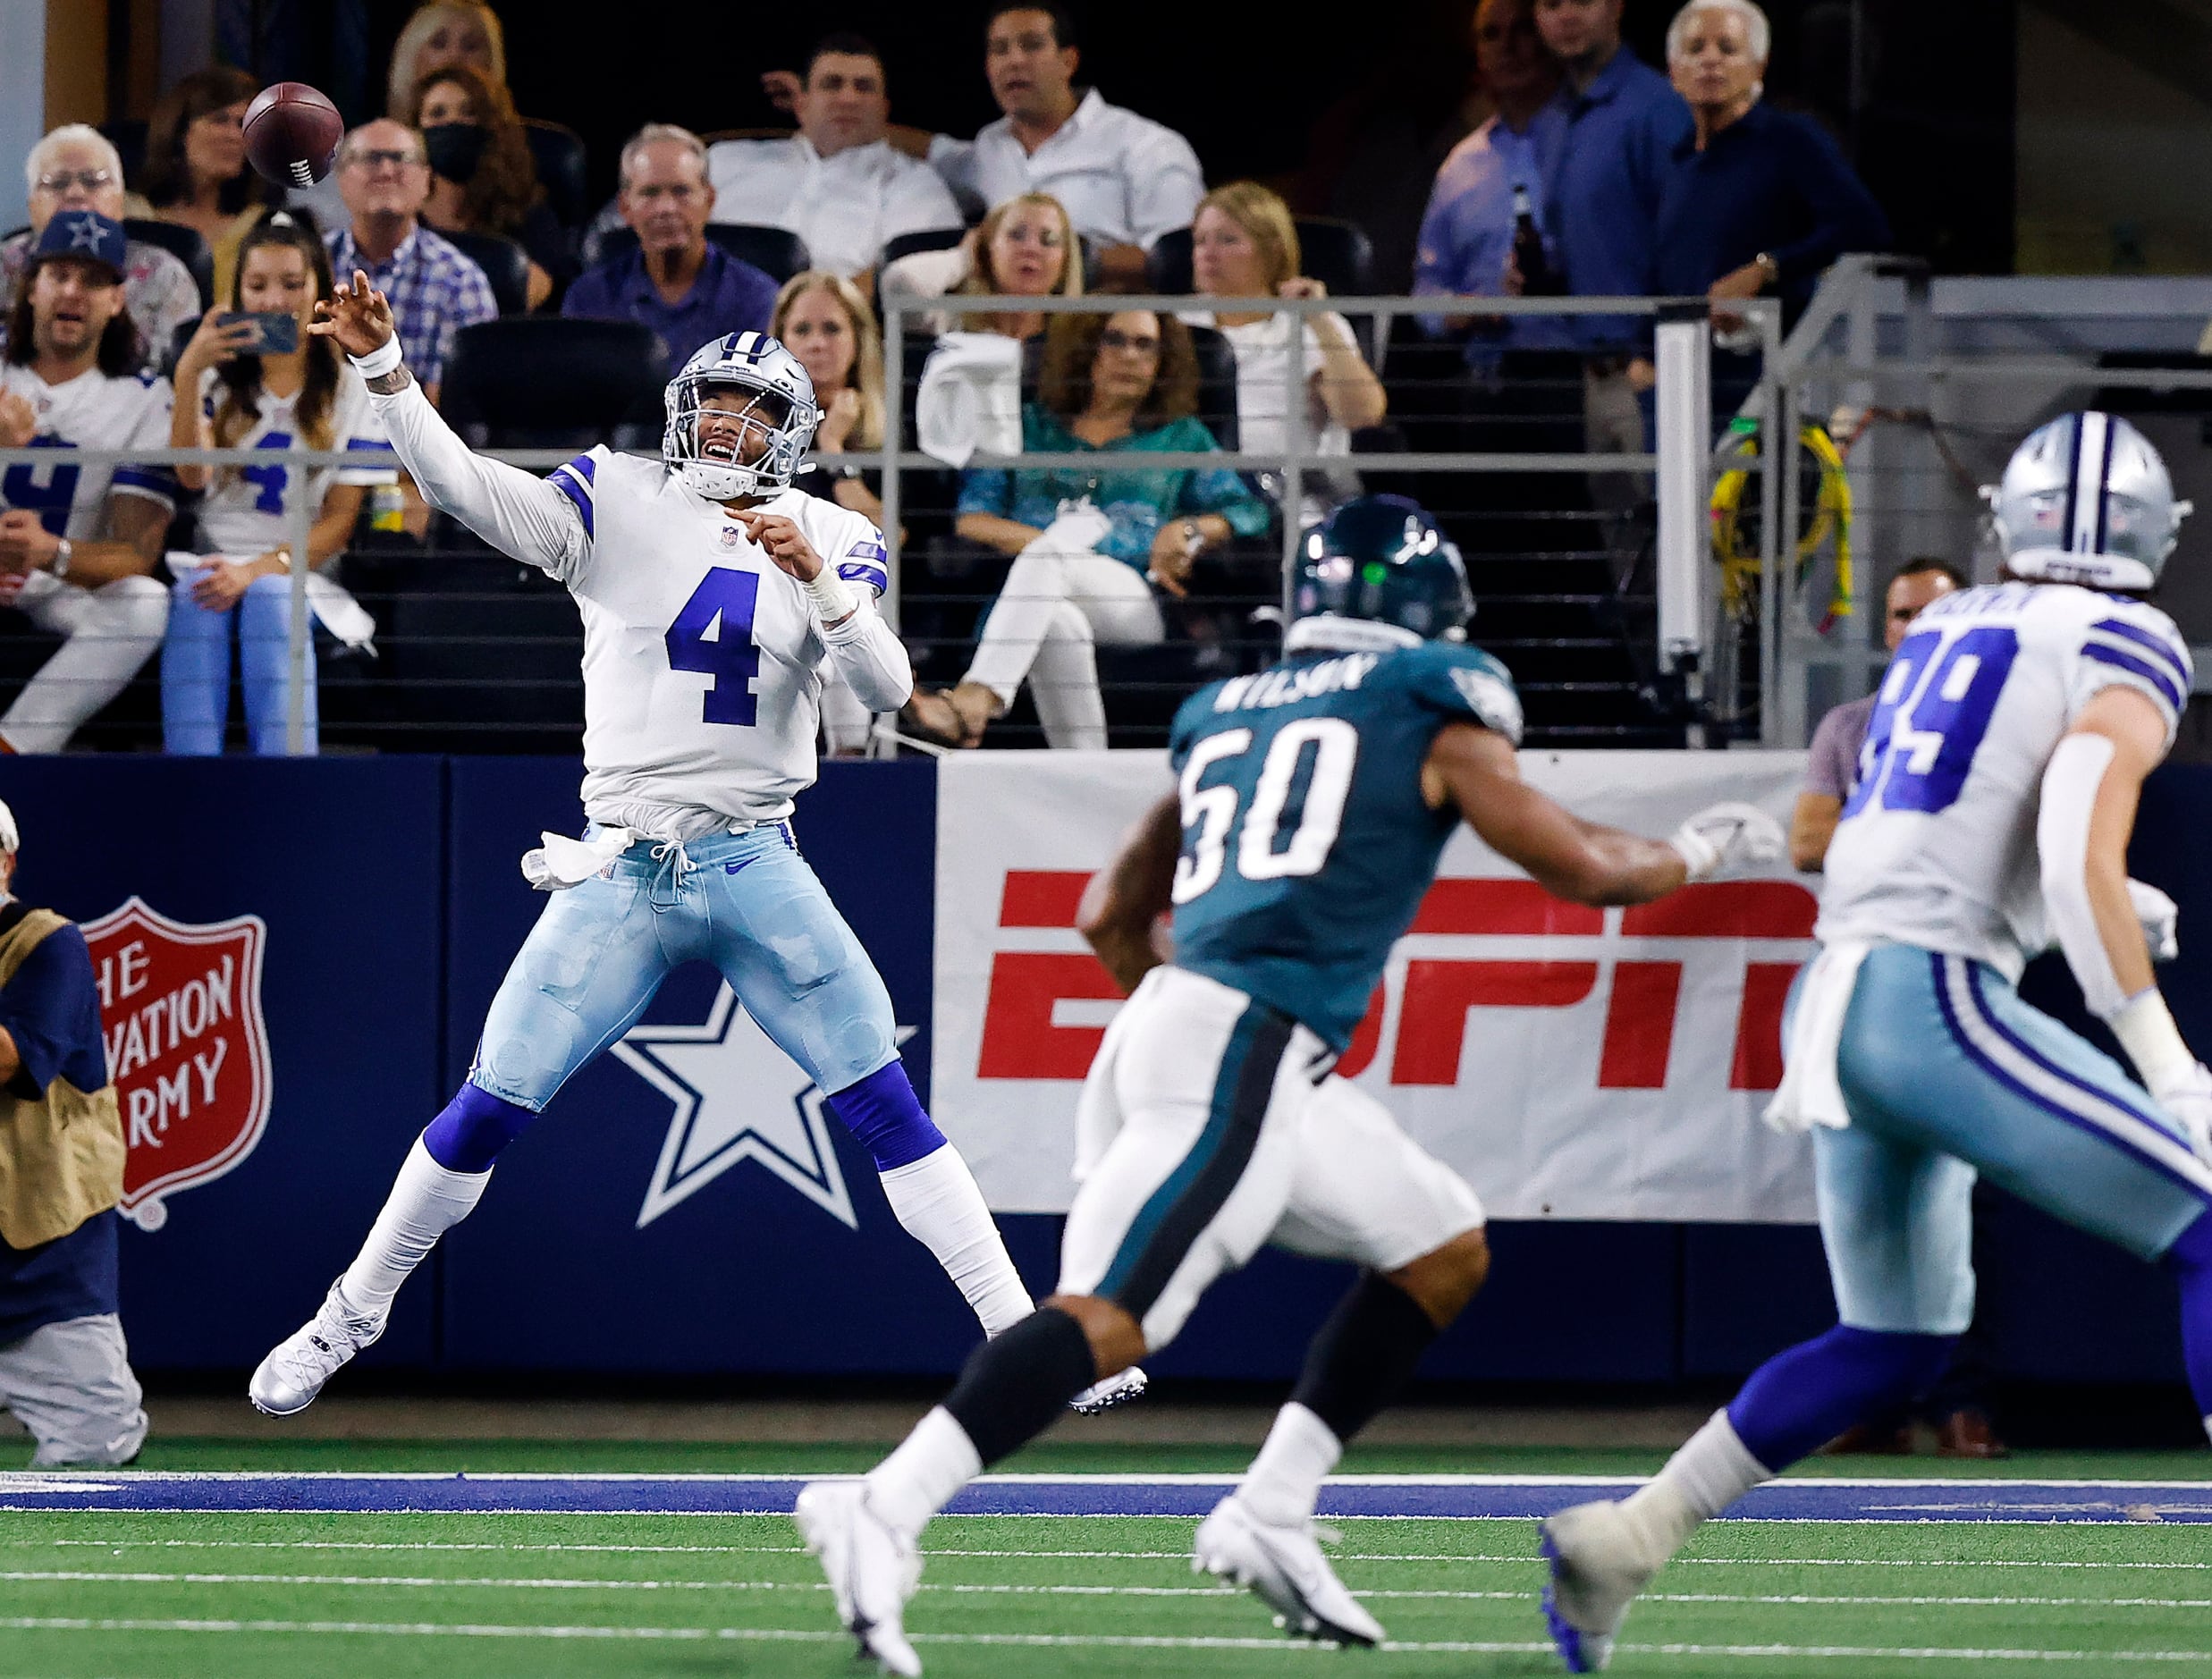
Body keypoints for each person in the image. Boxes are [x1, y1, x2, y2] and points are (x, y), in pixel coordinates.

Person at [795, 494, 1786, 1676]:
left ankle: (1271, 1506)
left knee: (1441, 1244)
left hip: (1210, 1032)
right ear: (1428, 616)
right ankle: (885, 1504)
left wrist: (1194, 1018)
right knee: (1113, 1321)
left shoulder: (1227, 713)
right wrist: (1711, 846)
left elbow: (1107, 917)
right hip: (1240, 1045)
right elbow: (1588, 869)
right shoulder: (1433, 704)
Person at [249, 283, 1146, 1419]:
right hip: (621, 863)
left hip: (754, 860)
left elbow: (889, 689)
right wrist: (386, 375)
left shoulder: (835, 532)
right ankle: (352, 1312)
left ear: (795, 433)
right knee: (489, 1100)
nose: (725, 425)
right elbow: (465, 490)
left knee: (887, 1104)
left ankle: (1028, 1339)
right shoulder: (615, 492)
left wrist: (813, 580)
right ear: (680, 410)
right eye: (711, 401)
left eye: (750, 409)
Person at [1540, 412, 2212, 1672]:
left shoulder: (1950, 624)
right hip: (1926, 1001)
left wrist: (2104, 912)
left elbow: (1938, 841)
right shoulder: (2128, 638)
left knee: (1894, 1340)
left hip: (1838, 998)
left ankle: (1631, 1533)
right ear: (2150, 531)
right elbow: (2071, 841)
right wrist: (2168, 1066)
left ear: (2006, 520)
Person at [908, 309, 1271, 750]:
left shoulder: (1182, 439)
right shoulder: (1026, 427)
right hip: (1030, 598)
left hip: (1130, 599)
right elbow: (973, 518)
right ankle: (1086, 770)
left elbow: (1249, 510)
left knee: (1049, 559)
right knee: (1059, 624)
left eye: (1146, 345)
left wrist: (1191, 528)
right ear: (1084, 351)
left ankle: (974, 699)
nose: (1130, 356)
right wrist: (1052, 548)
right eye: (1115, 340)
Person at [163, 215, 395, 756]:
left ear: (319, 292)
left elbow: (338, 526)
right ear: (238, 293)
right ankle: (188, 789)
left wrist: (255, 570)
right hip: (214, 567)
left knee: (269, 596)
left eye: (292, 284)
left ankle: (290, 783)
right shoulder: (215, 381)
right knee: (198, 593)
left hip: (302, 575)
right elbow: (190, 475)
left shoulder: (354, 389)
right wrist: (188, 373)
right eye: (258, 285)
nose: (274, 301)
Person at [0, 797, 146, 1468]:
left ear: (6, 860)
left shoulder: (45, 941)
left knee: (97, 1442)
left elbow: (12, 1059)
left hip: (36, 1251)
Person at [0, 213, 174, 755]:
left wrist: (51, 551)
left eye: (93, 280)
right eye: (59, 275)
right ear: (32, 287)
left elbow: (137, 552)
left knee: (144, 601)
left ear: (118, 299)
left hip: (57, 580)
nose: (73, 292)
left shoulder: (143, 398)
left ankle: (13, 747)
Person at [1651, 0, 1888, 331]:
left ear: (1758, 68)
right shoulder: (1678, 159)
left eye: (1728, 48)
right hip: (1683, 363)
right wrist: (1644, 354)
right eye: (1695, 48)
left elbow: (1863, 226)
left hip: (1767, 363)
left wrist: (1766, 269)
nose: (1710, 60)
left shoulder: (1789, 139)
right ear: (1674, 72)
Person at [926, 4, 1203, 285]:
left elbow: (1181, 259)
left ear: (1068, 61)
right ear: (988, 68)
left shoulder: (1146, 147)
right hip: (1006, 321)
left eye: (1032, 45)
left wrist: (1074, 261)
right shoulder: (989, 149)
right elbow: (930, 149)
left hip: (1106, 316)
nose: (1014, 60)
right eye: (1000, 50)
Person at [1181, 181, 1387, 525]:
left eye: (1227, 240)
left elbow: (1362, 414)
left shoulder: (1311, 325)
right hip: (1191, 497)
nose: (1208, 252)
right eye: (1200, 241)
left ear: (1272, 249)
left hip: (1290, 505)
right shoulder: (1174, 323)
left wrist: (1319, 320)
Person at [1534, 0, 1686, 455]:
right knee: (1613, 523)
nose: (1565, 16)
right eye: (1550, 4)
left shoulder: (1659, 107)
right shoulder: (1552, 119)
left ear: (1618, 6)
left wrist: (1655, 356)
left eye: (1582, 0)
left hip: (1650, 370)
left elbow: (1685, 237)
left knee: (1667, 520)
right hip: (1586, 373)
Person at [707, 34, 962, 284]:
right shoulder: (726, 162)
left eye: (864, 87)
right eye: (832, 84)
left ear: (884, 110)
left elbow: (909, 283)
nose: (848, 99)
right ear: (801, 103)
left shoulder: (917, 186)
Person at [773, 270, 892, 758]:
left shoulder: (889, 427)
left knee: (839, 632)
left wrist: (833, 448)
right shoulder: (755, 427)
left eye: (832, 329)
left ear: (858, 339)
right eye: (802, 331)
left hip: (854, 594)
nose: (817, 344)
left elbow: (891, 533)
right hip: (770, 588)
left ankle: (849, 760)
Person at [1413, 0, 1572, 354]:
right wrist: (1455, 312)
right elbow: (1428, 286)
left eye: (1523, 30)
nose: (1508, 46)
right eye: (1491, 34)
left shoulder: (1588, 143)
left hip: (1578, 371)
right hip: (1487, 380)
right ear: (1480, 55)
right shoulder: (1461, 164)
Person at [1789, 560, 1964, 872]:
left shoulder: (2003, 718)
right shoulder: (1845, 726)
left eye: (1933, 612)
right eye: (1903, 615)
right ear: (1888, 632)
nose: (1916, 626)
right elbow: (1809, 845)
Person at [562, 126, 778, 378]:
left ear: (709, 200)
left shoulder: (757, 299)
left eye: (681, 191)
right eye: (650, 193)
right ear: (625, 208)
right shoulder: (588, 299)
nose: (665, 208)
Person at [324, 121, 497, 405]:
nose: (386, 171)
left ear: (427, 180)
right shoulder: (307, 267)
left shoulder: (460, 279)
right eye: (370, 158)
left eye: (401, 159)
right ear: (340, 179)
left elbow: (462, 404)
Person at [0, 126, 200, 371]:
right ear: (32, 206)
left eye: (93, 181)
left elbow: (180, 373)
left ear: (119, 200)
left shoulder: (165, 275)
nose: (76, 193)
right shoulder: (5, 265)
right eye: (58, 183)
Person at [401, 62, 577, 308]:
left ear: (493, 127)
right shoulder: (401, 214)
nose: (453, 123)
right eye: (437, 114)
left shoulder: (527, 213)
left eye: (468, 112)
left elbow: (525, 295)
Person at [137, 66, 280, 304]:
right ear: (180, 132)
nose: (235, 135)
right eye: (220, 120)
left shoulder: (262, 227)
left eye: (243, 124)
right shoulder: (134, 217)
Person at [880, 190, 1081, 343]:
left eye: (1049, 240)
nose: (1031, 248)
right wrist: (965, 257)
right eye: (1016, 235)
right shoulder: (955, 323)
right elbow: (900, 283)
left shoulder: (1076, 338)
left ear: (1065, 261)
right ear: (988, 249)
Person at [384, 0, 507, 120]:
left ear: (491, 61)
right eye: (439, 44)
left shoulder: (520, 138)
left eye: (470, 46)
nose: (454, 56)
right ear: (411, 57)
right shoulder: (379, 138)